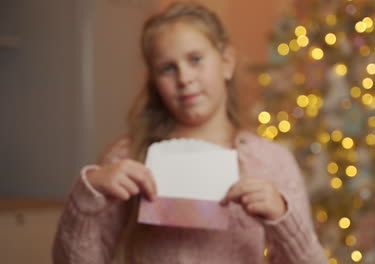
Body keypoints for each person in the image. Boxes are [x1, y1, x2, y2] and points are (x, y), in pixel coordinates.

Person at [52, 2, 327, 263]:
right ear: (154, 81)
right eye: (168, 68)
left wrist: (281, 215)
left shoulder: (272, 162)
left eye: (195, 59)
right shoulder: (128, 158)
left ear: (227, 62)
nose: (184, 78)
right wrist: (88, 194)